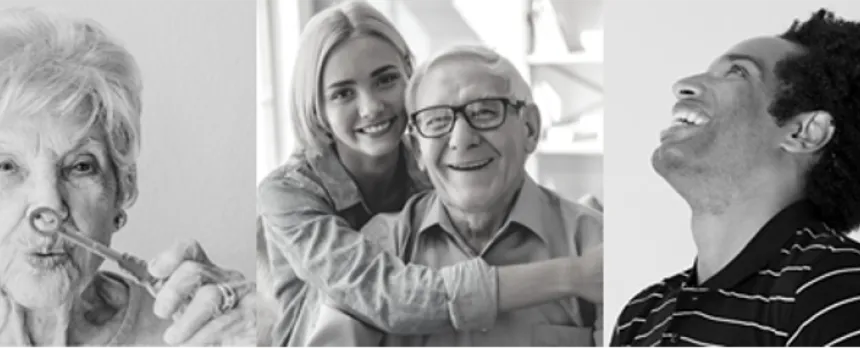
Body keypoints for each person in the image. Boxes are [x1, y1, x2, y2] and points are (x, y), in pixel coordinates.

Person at [256, 1, 602, 347]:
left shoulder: (434, 164)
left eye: (386, 79)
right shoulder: (288, 192)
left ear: (408, 77)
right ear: (316, 108)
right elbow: (388, 295)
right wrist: (571, 275)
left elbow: (505, 182)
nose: (371, 107)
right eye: (343, 93)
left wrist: (580, 224)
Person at [0, 8, 254, 346]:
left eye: (81, 166)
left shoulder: (190, 331)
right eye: (6, 167)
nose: (49, 207)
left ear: (122, 190)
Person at [611, 9, 860, 347]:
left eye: (737, 72)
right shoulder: (642, 315)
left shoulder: (837, 289)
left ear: (803, 132)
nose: (683, 85)